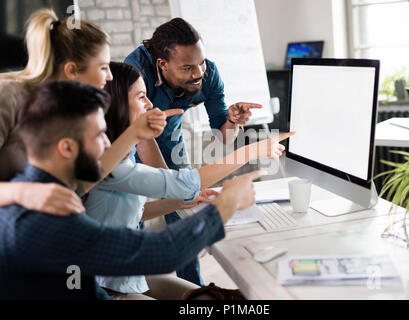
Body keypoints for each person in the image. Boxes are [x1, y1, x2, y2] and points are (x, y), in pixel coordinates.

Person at [0, 80, 264, 300]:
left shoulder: (39, 189)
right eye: (99, 136)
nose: (107, 145)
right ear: (66, 148)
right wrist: (227, 203)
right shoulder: (45, 217)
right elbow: (164, 252)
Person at [85, 62, 293, 300]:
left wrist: (178, 204)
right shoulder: (109, 163)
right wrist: (251, 151)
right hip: (107, 288)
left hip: (129, 277)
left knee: (219, 297)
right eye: (141, 97)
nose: (150, 105)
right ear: (117, 104)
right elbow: (186, 183)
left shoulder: (121, 153)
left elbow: (132, 212)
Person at [125, 17, 264, 285]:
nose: (198, 73)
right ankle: (132, 284)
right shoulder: (137, 73)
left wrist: (233, 121)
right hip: (134, 137)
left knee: (182, 212)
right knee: (134, 210)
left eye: (200, 63)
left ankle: (193, 288)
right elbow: (142, 139)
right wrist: (171, 186)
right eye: (188, 68)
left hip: (170, 136)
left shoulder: (207, 74)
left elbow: (224, 136)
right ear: (162, 65)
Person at [0, 9, 169, 215]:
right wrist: (24, 193)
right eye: (103, 67)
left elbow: (77, 186)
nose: (109, 77)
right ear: (72, 71)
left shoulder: (67, 114)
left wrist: (135, 133)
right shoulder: (7, 96)